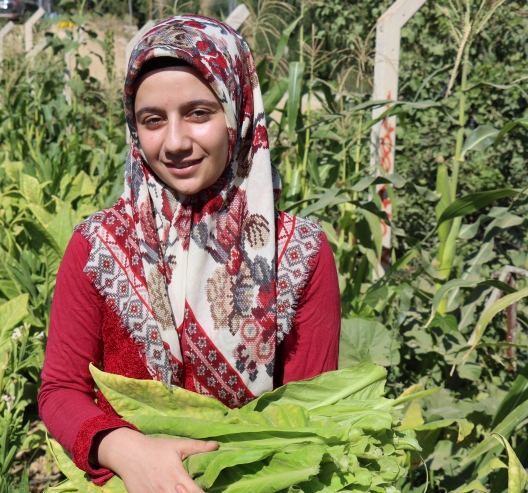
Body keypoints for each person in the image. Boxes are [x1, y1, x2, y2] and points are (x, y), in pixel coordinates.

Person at [38, 14, 341, 493]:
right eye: (152, 120)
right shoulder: (97, 246)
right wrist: (125, 450)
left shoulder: (298, 253)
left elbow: (313, 410)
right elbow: (60, 391)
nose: (175, 142)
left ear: (237, 113)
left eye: (199, 113)